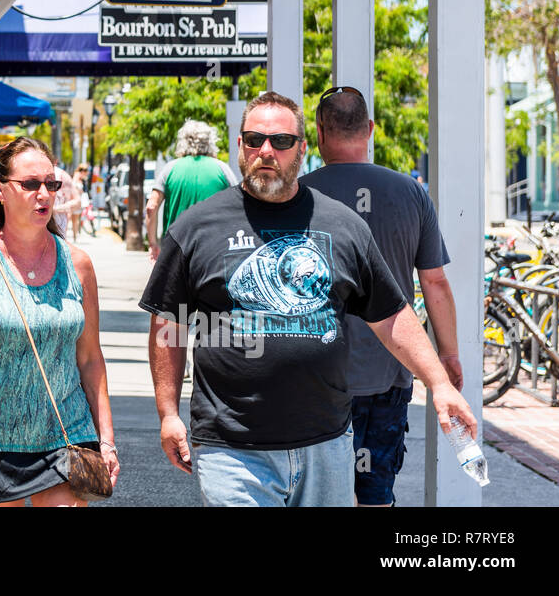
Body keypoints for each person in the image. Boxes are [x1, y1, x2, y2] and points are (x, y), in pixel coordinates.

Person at [139, 91, 476, 507]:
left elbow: (390, 315)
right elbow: (169, 326)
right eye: (253, 139)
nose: (266, 151)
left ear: (303, 147)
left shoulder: (343, 224)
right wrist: (168, 412)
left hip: (327, 444)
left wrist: (439, 383)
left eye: (280, 141)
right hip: (233, 450)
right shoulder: (196, 228)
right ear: (240, 146)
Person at [303, 86, 462, 507]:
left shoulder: (297, 195)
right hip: (389, 370)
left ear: (319, 133)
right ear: (370, 129)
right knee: (374, 493)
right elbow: (435, 284)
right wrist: (447, 357)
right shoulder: (410, 193)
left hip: (314, 373)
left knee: (316, 493)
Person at [0, 137, 119, 506]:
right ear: (0, 190)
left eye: (51, 184)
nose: (44, 194)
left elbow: (89, 358)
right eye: (31, 184)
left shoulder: (78, 264)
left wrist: (106, 438)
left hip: (67, 433)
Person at [147, 120, 238, 262]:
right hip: (214, 250)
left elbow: (151, 207)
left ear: (182, 141)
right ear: (210, 141)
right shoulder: (223, 169)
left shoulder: (169, 169)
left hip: (175, 249)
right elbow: (238, 207)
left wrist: (153, 243)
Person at [68, 164, 89, 240]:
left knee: (75, 218)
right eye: (85, 170)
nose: (86, 172)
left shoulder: (80, 177)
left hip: (78, 200)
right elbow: (73, 186)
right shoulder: (77, 176)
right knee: (73, 218)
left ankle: (75, 235)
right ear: (82, 170)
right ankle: (74, 236)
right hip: (75, 200)